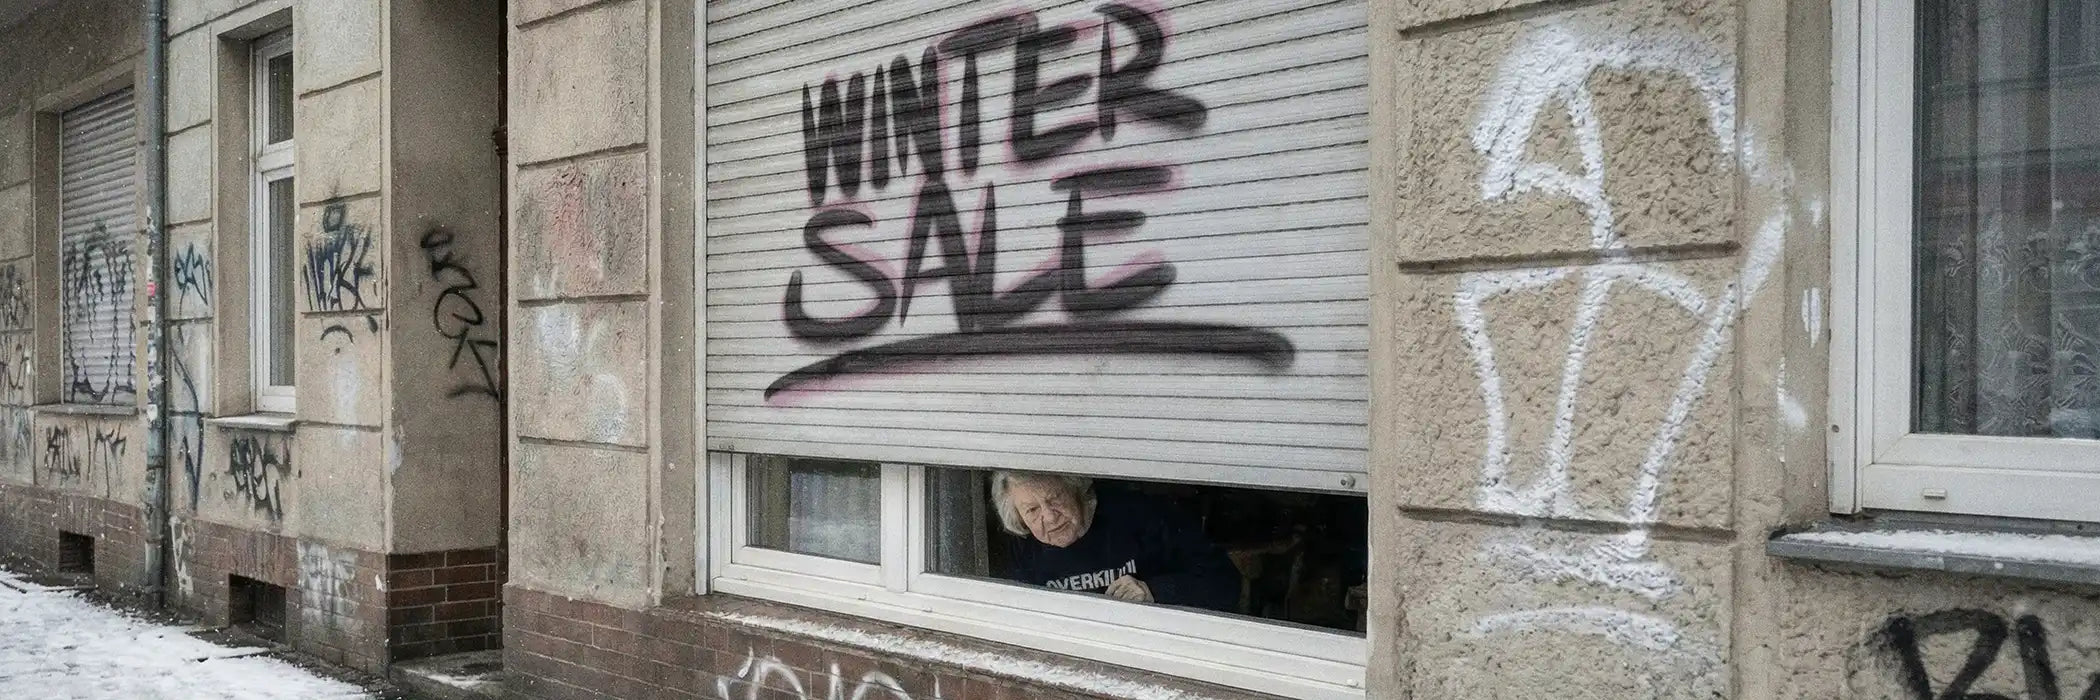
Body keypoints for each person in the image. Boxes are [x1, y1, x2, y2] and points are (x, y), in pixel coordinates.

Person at [991, 470, 1240, 613]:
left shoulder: (1140, 515)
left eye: (1055, 499)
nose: (1049, 516)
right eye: (1032, 510)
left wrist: (1155, 591)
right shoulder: (1024, 547)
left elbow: (1225, 583)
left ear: (1076, 489)